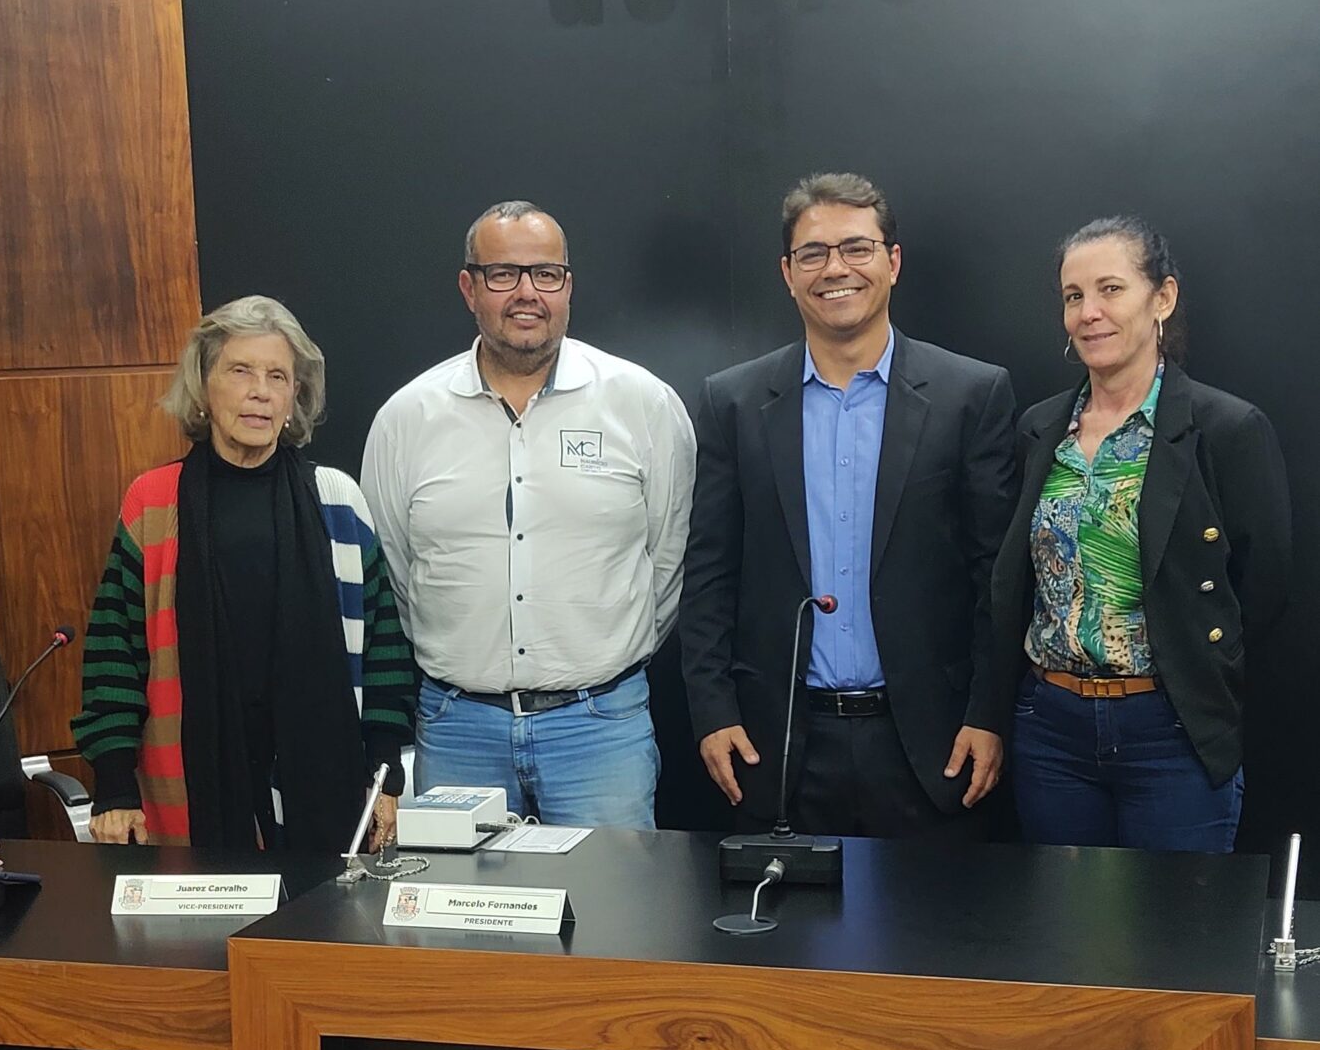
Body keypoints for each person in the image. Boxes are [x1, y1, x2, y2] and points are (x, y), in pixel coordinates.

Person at [680, 172, 1016, 837]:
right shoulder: (735, 403)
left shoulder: (970, 396)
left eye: (857, 248)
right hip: (777, 746)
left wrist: (989, 713)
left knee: (933, 939)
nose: (836, 268)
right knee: (786, 941)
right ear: (787, 272)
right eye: (814, 253)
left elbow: (996, 579)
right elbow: (710, 573)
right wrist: (713, 711)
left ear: (893, 262)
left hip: (931, 745)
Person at [361, 201, 696, 827]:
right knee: (458, 924)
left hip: (601, 729)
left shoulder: (642, 404)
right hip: (457, 728)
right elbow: (398, 575)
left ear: (567, 285)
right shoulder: (407, 419)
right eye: (502, 274)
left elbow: (668, 557)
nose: (527, 294)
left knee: (613, 919)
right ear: (468, 287)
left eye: (546, 274)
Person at [74, 296, 416, 857]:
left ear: (293, 398)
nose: (260, 390)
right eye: (240, 371)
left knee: (321, 932)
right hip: (189, 779)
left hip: (324, 783)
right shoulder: (153, 502)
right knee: (203, 941)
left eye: (277, 376)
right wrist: (113, 784)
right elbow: (114, 654)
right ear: (205, 388)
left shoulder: (338, 502)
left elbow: (384, 653)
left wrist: (385, 775)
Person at [992, 216, 1291, 852]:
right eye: (1074, 296)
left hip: (1172, 729)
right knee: (1064, 942)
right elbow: (1013, 583)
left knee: (1175, 939)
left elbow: (1262, 592)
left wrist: (1199, 683)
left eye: (1110, 289)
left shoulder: (1228, 429)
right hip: (1051, 732)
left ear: (1163, 299)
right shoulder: (1040, 430)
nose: (1089, 313)